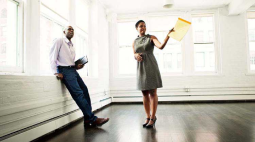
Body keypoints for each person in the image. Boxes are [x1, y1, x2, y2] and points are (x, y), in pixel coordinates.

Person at [50, 26, 109, 127]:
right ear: (64, 31)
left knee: (84, 90)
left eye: (72, 29)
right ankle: (92, 119)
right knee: (78, 93)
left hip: (72, 70)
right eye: (69, 29)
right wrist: (56, 72)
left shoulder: (71, 45)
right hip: (65, 70)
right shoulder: (59, 41)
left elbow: (69, 61)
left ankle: (87, 119)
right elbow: (52, 56)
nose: (71, 31)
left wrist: (77, 66)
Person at [132, 20, 174, 128]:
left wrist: (167, 36)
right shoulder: (134, 41)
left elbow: (160, 46)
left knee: (153, 92)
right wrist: (136, 56)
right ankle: (147, 116)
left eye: (145, 26)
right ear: (137, 28)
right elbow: (134, 53)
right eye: (141, 26)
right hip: (140, 68)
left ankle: (153, 117)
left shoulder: (151, 37)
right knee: (144, 93)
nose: (143, 28)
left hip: (151, 66)